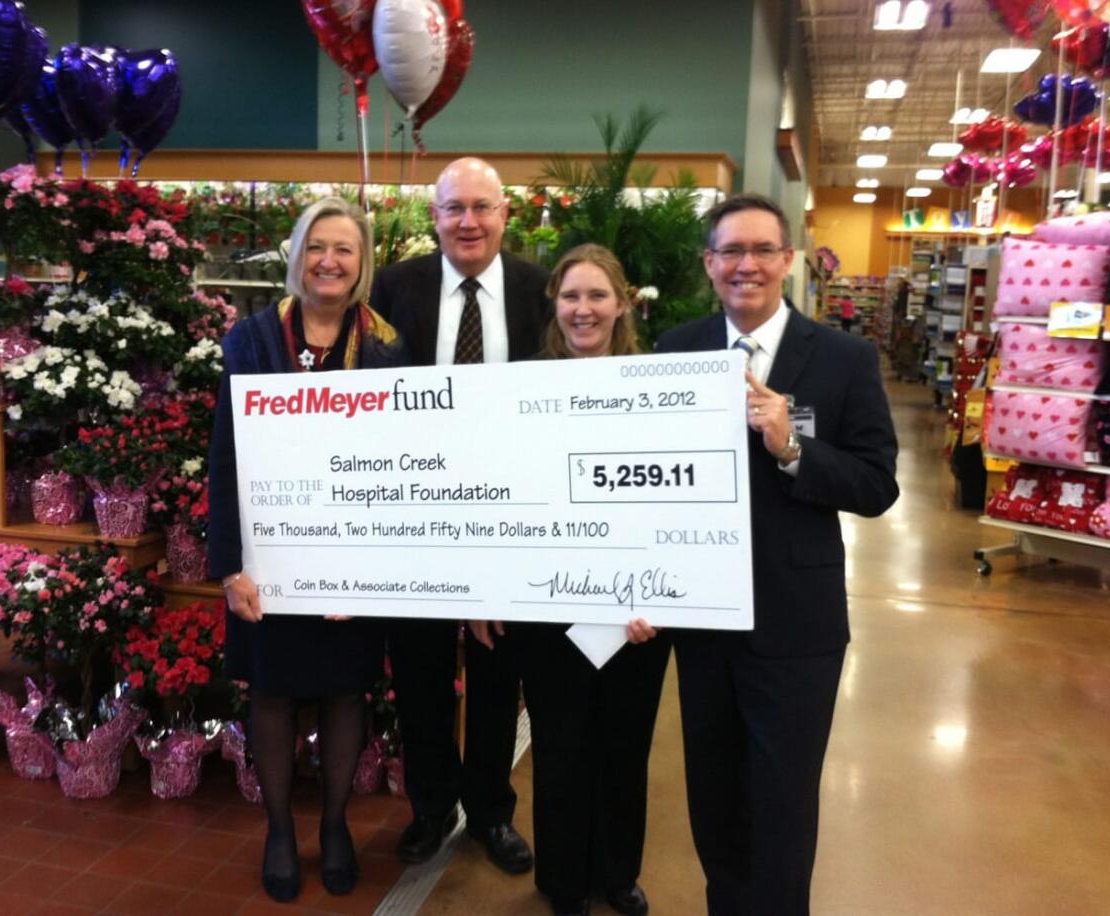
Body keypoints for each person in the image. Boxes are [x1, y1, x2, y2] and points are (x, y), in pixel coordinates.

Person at [654, 194, 899, 915]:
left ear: (788, 260)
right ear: (709, 264)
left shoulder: (845, 358)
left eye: (763, 250)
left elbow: (878, 484)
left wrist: (793, 448)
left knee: (784, 804)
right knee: (715, 797)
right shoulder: (675, 350)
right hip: (703, 621)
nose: (747, 265)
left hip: (797, 625)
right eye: (731, 251)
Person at [207, 197, 407, 902]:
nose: (329, 260)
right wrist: (230, 565)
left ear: (362, 263)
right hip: (271, 562)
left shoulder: (386, 345)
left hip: (351, 560)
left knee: (346, 690)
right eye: (317, 246)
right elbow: (226, 459)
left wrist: (371, 572)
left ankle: (336, 823)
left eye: (344, 249)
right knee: (273, 692)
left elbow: (398, 463)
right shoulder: (252, 340)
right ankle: (280, 830)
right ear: (297, 255)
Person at [472, 244, 670, 916]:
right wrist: (485, 590)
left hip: (637, 612)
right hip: (547, 607)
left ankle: (617, 875)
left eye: (597, 296)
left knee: (624, 743)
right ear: (554, 306)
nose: (584, 310)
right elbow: (493, 493)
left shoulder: (658, 386)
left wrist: (663, 595)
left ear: (622, 304)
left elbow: (677, 500)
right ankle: (562, 881)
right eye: (571, 297)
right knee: (561, 746)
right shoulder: (520, 385)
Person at [368, 157, 549, 872]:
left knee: (499, 669)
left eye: (482, 207)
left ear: (507, 214)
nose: (468, 221)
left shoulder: (540, 291)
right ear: (433, 217)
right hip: (419, 510)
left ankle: (490, 813)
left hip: (508, 513)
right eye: (453, 209)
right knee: (418, 669)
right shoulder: (394, 286)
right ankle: (431, 806)